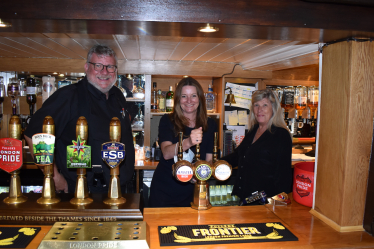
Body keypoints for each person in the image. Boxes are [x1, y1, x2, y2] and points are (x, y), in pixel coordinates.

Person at [24, 44, 135, 194]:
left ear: (116, 70)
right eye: (98, 66)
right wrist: (53, 177)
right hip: (83, 191)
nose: (104, 72)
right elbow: (34, 135)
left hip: (121, 189)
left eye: (110, 67)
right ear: (86, 67)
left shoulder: (118, 96)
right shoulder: (69, 95)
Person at [149, 77, 217, 207]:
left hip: (194, 191)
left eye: (193, 96)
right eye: (184, 96)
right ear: (178, 99)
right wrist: (189, 142)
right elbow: (166, 153)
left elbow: (209, 161)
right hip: (165, 190)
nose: (189, 101)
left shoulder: (210, 124)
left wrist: (199, 176)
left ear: (200, 99)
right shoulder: (168, 120)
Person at [222, 88, 292, 202]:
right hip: (246, 197)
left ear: (273, 109)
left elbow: (283, 177)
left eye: (265, 105)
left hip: (265, 202)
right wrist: (215, 164)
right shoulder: (254, 130)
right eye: (256, 105)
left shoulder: (281, 135)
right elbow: (238, 155)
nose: (260, 110)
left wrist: (276, 204)